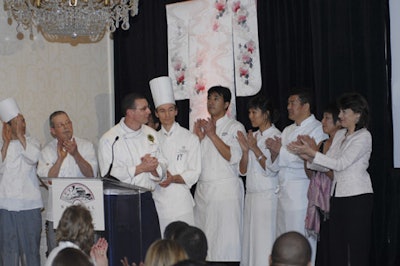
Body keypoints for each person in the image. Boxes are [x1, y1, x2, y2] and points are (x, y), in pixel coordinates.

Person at [288, 92, 373, 266]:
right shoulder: (341, 135)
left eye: (344, 112)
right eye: (340, 111)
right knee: (337, 247)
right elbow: (327, 164)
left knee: (356, 248)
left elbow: (340, 164)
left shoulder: (364, 136)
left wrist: (313, 153)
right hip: (337, 196)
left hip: (357, 197)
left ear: (357, 114)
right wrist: (307, 156)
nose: (340, 116)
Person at [98, 92, 167, 258]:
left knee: (150, 248)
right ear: (130, 113)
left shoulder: (151, 134)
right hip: (121, 203)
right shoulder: (110, 139)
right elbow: (108, 175)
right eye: (144, 108)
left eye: (148, 107)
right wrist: (139, 168)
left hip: (145, 199)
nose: (149, 111)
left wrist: (153, 168)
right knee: (126, 251)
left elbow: (164, 165)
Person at [265, 88, 326, 261]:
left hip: (301, 193)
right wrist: (275, 153)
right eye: (288, 103)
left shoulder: (317, 129)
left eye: (293, 103)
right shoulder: (287, 130)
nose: (288, 107)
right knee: (282, 238)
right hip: (283, 193)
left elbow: (312, 160)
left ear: (306, 106)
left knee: (300, 240)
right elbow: (276, 165)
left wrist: (281, 151)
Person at [193, 85, 246, 263]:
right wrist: (199, 139)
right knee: (205, 246)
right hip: (203, 192)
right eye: (209, 98)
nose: (211, 102)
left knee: (225, 246)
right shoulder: (205, 128)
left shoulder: (235, 126)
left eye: (216, 98)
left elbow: (233, 156)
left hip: (225, 193)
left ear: (226, 104)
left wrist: (213, 135)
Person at [37, 110, 98, 255]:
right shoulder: (46, 151)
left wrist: (76, 154)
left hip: (85, 214)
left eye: (68, 122)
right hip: (58, 216)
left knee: (87, 256)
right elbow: (48, 181)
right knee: (58, 256)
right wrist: (60, 159)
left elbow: (91, 175)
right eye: (60, 125)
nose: (66, 127)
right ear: (53, 131)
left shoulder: (86, 146)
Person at [149, 76, 201, 235]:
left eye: (170, 110)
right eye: (162, 111)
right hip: (158, 201)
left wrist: (173, 178)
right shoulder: (151, 139)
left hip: (181, 202)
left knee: (184, 247)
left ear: (176, 111)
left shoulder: (190, 138)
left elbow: (194, 172)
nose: (167, 115)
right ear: (157, 114)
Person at [237, 96, 281, 266]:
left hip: (267, 197)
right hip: (252, 196)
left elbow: (271, 169)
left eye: (254, 112)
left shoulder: (276, 136)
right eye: (249, 112)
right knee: (250, 243)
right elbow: (242, 170)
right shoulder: (253, 135)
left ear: (266, 114)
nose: (250, 116)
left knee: (264, 242)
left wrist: (254, 148)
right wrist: (245, 151)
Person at [0, 98, 42, 266]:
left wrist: (19, 137)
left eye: (22, 120)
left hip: (30, 206)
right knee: (8, 251)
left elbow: (33, 158)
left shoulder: (32, 142)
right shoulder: (2, 146)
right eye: (16, 122)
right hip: (5, 206)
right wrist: (6, 143)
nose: (21, 125)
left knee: (31, 251)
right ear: (7, 126)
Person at [302, 103, 341, 266]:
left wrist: (318, 160)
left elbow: (336, 175)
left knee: (337, 243)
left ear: (339, 121)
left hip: (336, 199)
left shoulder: (342, 144)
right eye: (323, 117)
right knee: (324, 245)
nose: (323, 122)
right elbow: (311, 175)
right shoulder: (322, 143)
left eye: (327, 118)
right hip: (320, 202)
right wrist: (307, 157)